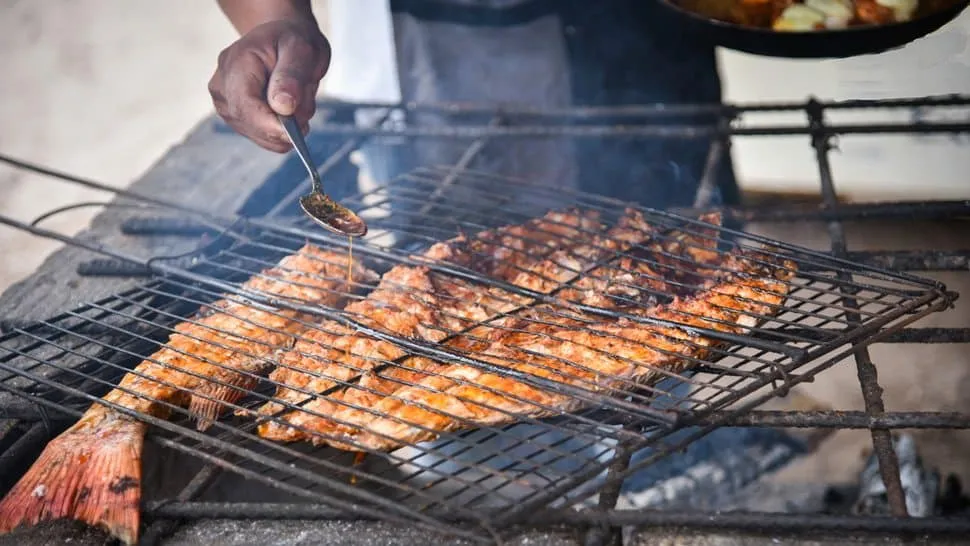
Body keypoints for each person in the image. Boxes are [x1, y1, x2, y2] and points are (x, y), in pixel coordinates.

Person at [209, 0, 740, 212]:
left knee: (674, 263)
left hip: (647, 32)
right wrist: (274, 18)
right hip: (441, 42)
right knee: (453, 290)